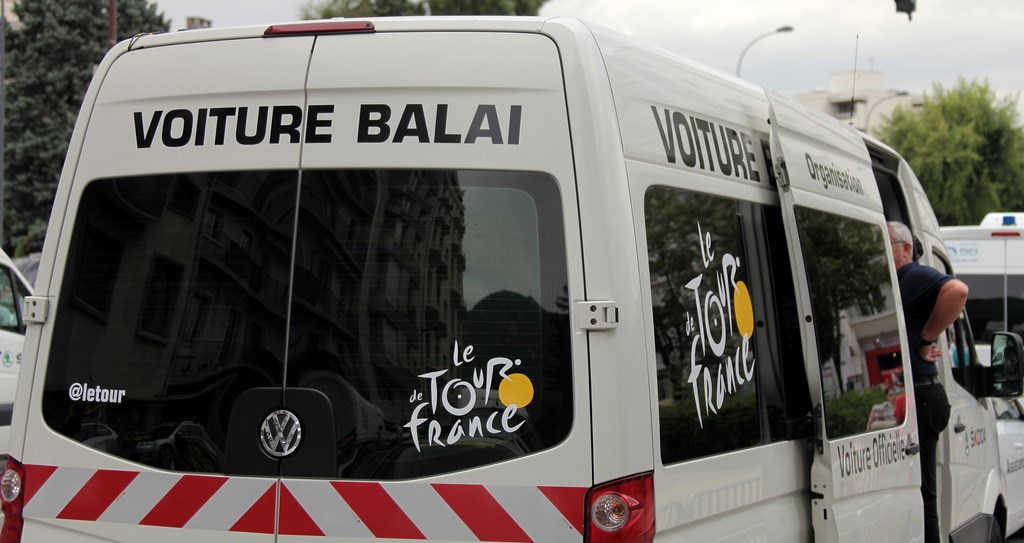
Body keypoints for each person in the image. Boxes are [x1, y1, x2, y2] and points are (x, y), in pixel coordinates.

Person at [887, 221, 969, 543]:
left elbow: (958, 291)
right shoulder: (896, 282)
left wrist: (925, 338)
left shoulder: (914, 275)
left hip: (921, 395)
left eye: (887, 243)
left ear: (906, 249)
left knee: (924, 493)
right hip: (914, 395)